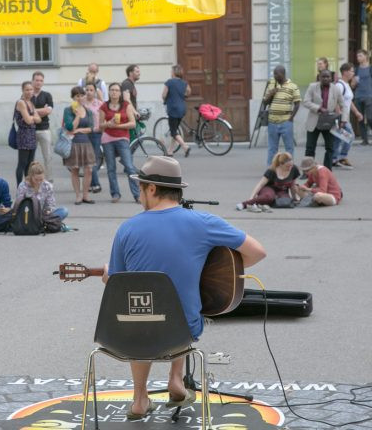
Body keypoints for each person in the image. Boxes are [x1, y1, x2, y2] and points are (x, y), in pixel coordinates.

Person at [101, 156, 266, 419]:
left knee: (141, 312)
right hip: (182, 330)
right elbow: (257, 252)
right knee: (175, 306)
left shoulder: (127, 229)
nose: (139, 194)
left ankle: (139, 399)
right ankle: (175, 380)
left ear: (151, 189)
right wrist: (216, 271)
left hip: (132, 331)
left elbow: (116, 282)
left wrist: (108, 274)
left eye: (140, 188)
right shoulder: (203, 222)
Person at [99, 82, 140, 203]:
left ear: (120, 92)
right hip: (107, 139)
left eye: (116, 90)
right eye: (112, 90)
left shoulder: (126, 105)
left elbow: (133, 123)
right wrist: (108, 124)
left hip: (122, 138)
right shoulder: (104, 106)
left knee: (129, 167)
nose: (114, 92)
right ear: (109, 92)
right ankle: (115, 194)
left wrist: (119, 125)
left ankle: (137, 195)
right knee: (111, 168)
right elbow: (100, 126)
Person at [303, 69, 347, 170]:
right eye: (323, 76)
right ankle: (307, 171)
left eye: (328, 77)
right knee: (310, 148)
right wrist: (318, 108)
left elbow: (343, 105)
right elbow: (306, 102)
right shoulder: (312, 87)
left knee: (330, 148)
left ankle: (327, 171)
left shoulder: (336, 89)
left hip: (329, 122)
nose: (326, 78)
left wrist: (343, 119)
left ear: (331, 78)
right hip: (314, 121)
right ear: (319, 77)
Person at [63, 86, 95, 205]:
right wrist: (76, 115)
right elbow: (70, 127)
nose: (80, 98)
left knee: (89, 170)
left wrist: (80, 130)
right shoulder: (68, 110)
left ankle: (86, 195)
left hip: (86, 143)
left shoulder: (88, 111)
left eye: (82, 95)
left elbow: (91, 128)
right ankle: (78, 196)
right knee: (75, 170)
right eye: (77, 96)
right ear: (73, 98)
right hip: (73, 143)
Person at [263, 65, 301, 166]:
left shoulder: (293, 86)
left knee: (289, 147)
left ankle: (289, 168)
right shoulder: (272, 84)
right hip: (272, 122)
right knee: (272, 148)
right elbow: (265, 102)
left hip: (286, 122)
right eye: (274, 73)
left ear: (283, 74)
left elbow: (297, 104)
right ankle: (270, 170)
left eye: (277, 74)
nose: (275, 76)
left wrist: (291, 118)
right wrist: (271, 93)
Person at [333, 63, 364, 169]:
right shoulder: (340, 85)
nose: (353, 73)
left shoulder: (346, 85)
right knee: (350, 136)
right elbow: (336, 101)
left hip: (345, 116)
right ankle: (342, 157)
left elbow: (349, 101)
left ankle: (334, 159)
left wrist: (356, 113)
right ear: (345, 72)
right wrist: (340, 118)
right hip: (341, 117)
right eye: (351, 71)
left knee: (338, 138)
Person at [15, 81, 41, 187]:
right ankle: (19, 186)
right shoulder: (21, 102)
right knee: (22, 163)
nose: (29, 92)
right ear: (22, 90)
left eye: (31, 89)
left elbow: (38, 119)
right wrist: (33, 118)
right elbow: (28, 120)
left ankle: (27, 185)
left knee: (30, 164)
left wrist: (33, 118)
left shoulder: (31, 103)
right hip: (24, 135)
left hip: (31, 135)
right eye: (27, 89)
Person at [162, 64, 191, 157]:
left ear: (174, 72)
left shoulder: (169, 82)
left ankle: (185, 147)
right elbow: (189, 91)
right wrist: (184, 96)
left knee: (173, 131)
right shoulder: (184, 83)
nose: (170, 73)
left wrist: (165, 100)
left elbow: (163, 94)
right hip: (182, 108)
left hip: (173, 109)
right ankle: (170, 151)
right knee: (174, 130)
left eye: (171, 71)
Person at [32, 71, 54, 183]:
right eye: (37, 80)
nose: (39, 82)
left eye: (41, 80)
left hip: (44, 129)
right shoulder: (27, 95)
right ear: (33, 81)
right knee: (31, 158)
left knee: (48, 157)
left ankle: (49, 180)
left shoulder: (47, 95)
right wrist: (42, 110)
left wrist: (34, 110)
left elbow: (49, 110)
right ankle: (32, 180)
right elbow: (24, 111)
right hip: (30, 131)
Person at [82, 82, 103, 193]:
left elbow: (103, 118)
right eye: (87, 90)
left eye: (91, 90)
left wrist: (101, 128)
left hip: (95, 133)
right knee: (87, 159)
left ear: (95, 92)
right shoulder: (82, 103)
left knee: (93, 159)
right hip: (84, 133)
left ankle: (95, 183)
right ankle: (90, 184)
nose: (89, 92)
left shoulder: (99, 103)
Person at [353, 49, 372, 145]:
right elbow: (352, 85)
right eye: (357, 56)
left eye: (360, 56)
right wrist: (354, 81)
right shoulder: (356, 70)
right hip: (358, 96)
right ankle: (365, 140)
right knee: (360, 118)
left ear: (366, 56)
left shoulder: (370, 68)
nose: (358, 58)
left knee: (370, 118)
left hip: (369, 96)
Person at [122, 64, 141, 142]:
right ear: (130, 73)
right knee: (134, 138)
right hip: (127, 114)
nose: (139, 73)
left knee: (136, 137)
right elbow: (126, 99)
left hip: (130, 114)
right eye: (137, 71)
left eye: (139, 72)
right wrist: (134, 112)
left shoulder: (131, 84)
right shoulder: (127, 83)